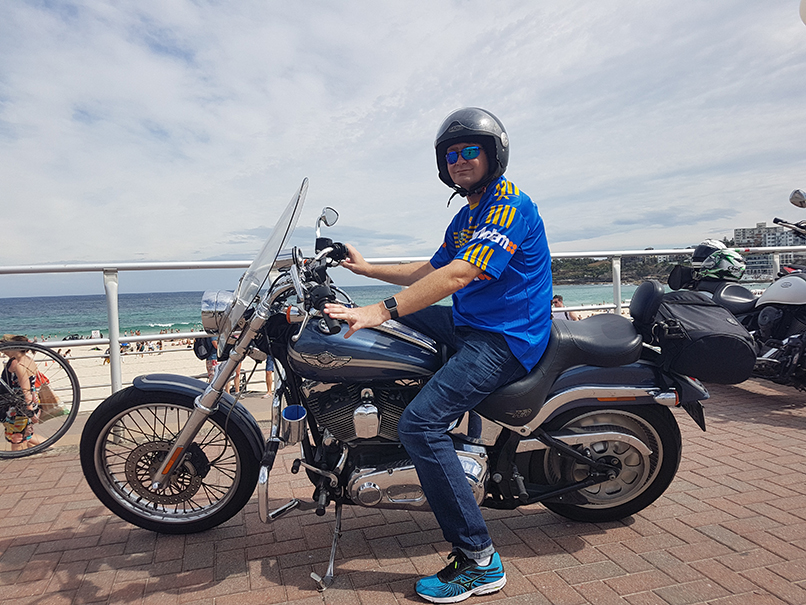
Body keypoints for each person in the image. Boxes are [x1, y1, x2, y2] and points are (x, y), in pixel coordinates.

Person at [325, 107, 553, 603]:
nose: (459, 160)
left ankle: (478, 560)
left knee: (420, 424)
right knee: (377, 322)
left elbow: (458, 277)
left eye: (470, 150)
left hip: (506, 338)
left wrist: (381, 311)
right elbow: (428, 270)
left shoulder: (510, 205)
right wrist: (364, 274)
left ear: (494, 155)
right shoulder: (467, 214)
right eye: (451, 153)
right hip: (471, 323)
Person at [1, 335, 43, 450]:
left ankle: (17, 462)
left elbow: (26, 389)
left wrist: (30, 411)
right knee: (25, 435)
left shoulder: (18, 365)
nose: (4, 351)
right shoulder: (28, 360)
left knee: (16, 438)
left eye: (6, 347)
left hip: (21, 406)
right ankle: (50, 446)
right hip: (29, 402)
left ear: (14, 348)